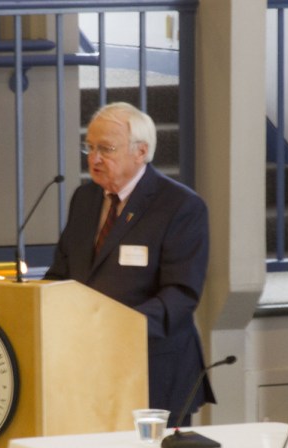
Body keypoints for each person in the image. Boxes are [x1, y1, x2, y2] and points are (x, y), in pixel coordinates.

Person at [44, 102, 214, 426]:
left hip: (153, 368)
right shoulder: (84, 199)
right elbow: (61, 274)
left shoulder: (180, 206)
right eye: (89, 147)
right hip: (87, 367)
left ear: (141, 151)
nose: (94, 158)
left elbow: (180, 294)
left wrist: (114, 325)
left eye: (105, 149)